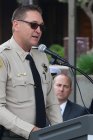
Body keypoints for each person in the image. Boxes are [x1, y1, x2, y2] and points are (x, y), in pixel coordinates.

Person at [0, 5, 62, 140]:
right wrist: (31, 131)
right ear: (16, 25)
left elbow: (51, 102)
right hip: (14, 136)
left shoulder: (41, 55)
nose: (38, 30)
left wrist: (61, 132)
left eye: (41, 26)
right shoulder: (3, 56)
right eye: (33, 25)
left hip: (42, 135)